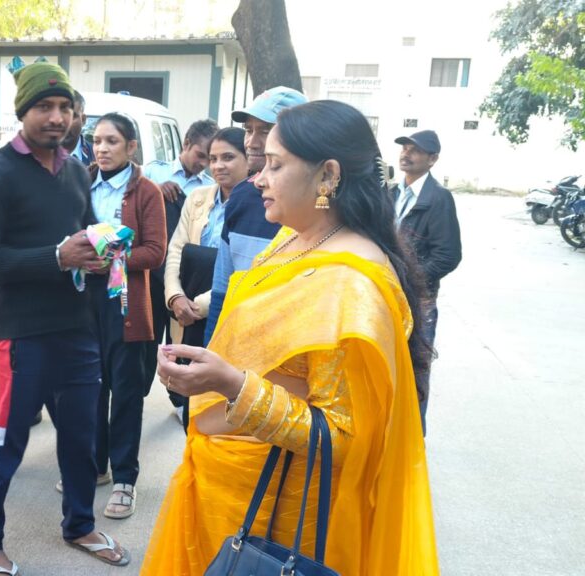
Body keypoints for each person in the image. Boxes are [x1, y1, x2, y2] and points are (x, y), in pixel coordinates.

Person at [142, 100, 439, 575]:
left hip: (279, 519)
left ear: (328, 176)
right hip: (226, 492)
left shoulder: (352, 284)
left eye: (275, 166)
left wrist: (232, 385)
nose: (257, 178)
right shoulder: (292, 239)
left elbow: (342, 437)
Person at [0, 62, 129, 576]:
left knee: (81, 435)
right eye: (44, 107)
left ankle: (79, 524)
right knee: (5, 440)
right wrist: (57, 257)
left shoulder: (76, 171)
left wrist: (100, 254)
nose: (57, 117)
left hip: (77, 327)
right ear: (23, 111)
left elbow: (83, 233)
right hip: (20, 333)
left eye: (65, 107)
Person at [82, 113, 166, 519]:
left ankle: (125, 479)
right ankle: (96, 464)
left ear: (131, 147)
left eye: (112, 141)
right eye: (97, 141)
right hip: (84, 303)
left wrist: (113, 258)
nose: (102, 149)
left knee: (126, 392)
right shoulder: (81, 183)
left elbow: (155, 251)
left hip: (126, 304)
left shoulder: (146, 191)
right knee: (90, 387)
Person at [205, 86, 307, 345]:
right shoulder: (240, 197)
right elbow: (222, 288)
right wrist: (211, 349)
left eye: (265, 130)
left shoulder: (317, 210)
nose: (251, 142)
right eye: (249, 130)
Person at [143, 119, 218, 418]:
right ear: (186, 143)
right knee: (147, 341)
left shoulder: (207, 189)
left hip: (184, 279)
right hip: (152, 275)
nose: (204, 164)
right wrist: (154, 190)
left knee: (177, 341)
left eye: (209, 158)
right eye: (201, 155)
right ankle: (139, 391)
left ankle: (178, 398)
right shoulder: (152, 173)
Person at [392, 129, 461, 427]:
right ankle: (388, 433)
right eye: (404, 148)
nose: (406, 154)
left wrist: (411, 282)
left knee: (415, 369)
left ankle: (414, 434)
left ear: (432, 159)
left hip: (419, 301)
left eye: (415, 150)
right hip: (387, 295)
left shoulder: (438, 198)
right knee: (386, 366)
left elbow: (448, 255)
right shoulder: (391, 193)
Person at [165, 127, 249, 345]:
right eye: (213, 159)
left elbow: (247, 270)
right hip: (183, 310)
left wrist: (198, 306)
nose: (218, 166)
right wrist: (175, 296)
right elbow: (175, 251)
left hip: (227, 311)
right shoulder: (197, 198)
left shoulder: (260, 206)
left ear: (248, 159)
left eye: (228, 157)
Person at [62, 90, 94, 164]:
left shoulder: (97, 157)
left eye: (71, 116)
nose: (63, 123)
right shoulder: (38, 156)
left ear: (83, 120)